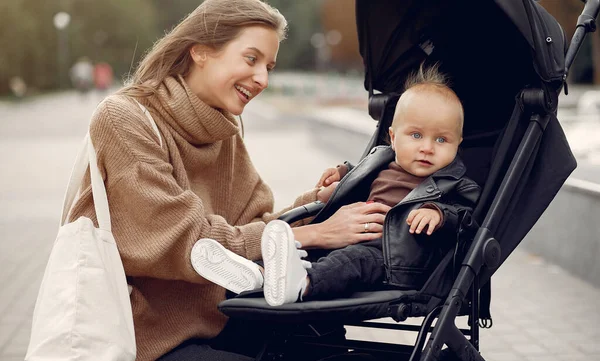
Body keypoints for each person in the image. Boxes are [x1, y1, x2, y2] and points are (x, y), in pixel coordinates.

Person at [68, 0, 389, 361]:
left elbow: (255, 223)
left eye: (268, 67)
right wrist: (314, 234)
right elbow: (183, 240)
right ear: (200, 50)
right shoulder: (125, 119)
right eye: (251, 58)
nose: (262, 79)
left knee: (327, 359)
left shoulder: (223, 127)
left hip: (219, 319)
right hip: (141, 345)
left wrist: (321, 203)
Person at [192, 64, 481, 306]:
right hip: (354, 239)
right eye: (416, 135)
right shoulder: (384, 159)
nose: (427, 148)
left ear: (458, 145)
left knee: (347, 262)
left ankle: (303, 284)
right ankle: (259, 276)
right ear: (393, 138)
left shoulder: (454, 183)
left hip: (393, 259)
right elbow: (361, 171)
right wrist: (342, 172)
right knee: (316, 254)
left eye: (441, 140)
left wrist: (439, 214)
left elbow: (466, 217)